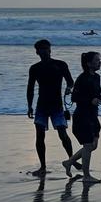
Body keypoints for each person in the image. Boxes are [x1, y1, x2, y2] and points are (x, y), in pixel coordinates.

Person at [62, 52, 101, 183]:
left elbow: (95, 96)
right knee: (88, 145)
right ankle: (86, 176)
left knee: (93, 145)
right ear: (88, 63)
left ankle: (69, 162)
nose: (100, 62)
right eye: (97, 60)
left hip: (93, 115)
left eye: (100, 60)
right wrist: (90, 101)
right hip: (82, 115)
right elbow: (74, 97)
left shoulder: (97, 77)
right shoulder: (82, 78)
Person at [27, 39, 77, 176]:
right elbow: (30, 88)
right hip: (41, 106)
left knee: (63, 134)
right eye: (40, 49)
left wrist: (68, 88)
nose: (43, 51)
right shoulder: (35, 68)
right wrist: (29, 106)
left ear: (50, 50)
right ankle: (42, 166)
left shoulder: (60, 65)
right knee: (39, 136)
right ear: (37, 52)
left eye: (46, 48)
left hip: (57, 106)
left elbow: (70, 82)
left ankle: (71, 159)